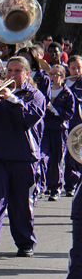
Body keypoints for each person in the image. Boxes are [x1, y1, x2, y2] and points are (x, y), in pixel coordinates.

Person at [0, 57, 46, 259]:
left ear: (27, 74)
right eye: (9, 70)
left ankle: (25, 242)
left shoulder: (35, 95)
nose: (12, 75)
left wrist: (12, 98)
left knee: (21, 204)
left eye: (17, 71)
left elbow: (29, 117)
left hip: (24, 157)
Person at [42, 65, 75, 201]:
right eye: (51, 74)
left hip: (59, 130)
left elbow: (69, 114)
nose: (53, 77)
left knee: (56, 159)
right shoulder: (46, 90)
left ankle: (56, 189)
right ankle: (43, 185)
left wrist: (55, 110)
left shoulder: (67, 93)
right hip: (45, 128)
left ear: (62, 76)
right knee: (42, 158)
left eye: (56, 74)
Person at [65, 56, 82, 196]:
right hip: (65, 123)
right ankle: (67, 184)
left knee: (76, 155)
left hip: (79, 125)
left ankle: (73, 184)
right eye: (73, 68)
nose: (76, 70)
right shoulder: (63, 82)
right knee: (65, 156)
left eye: (79, 68)